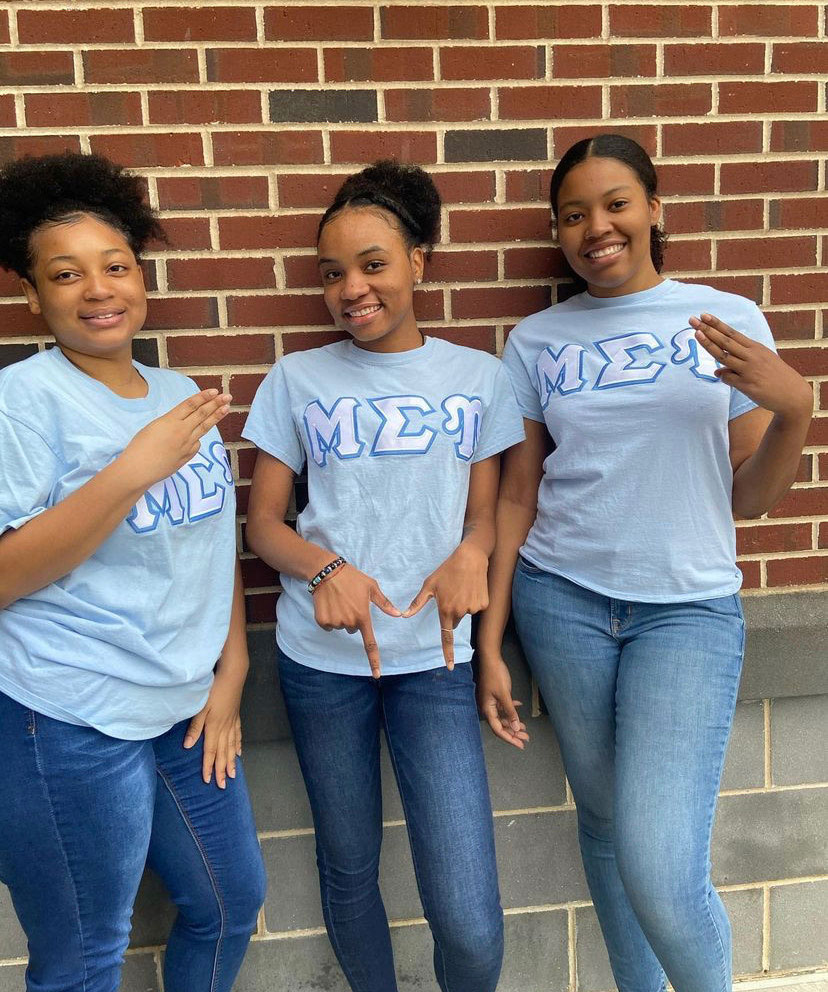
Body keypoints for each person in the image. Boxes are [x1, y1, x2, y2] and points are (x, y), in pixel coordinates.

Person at [476, 134, 812, 992]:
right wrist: (494, 628)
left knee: (661, 866)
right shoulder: (536, 341)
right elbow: (519, 494)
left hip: (687, 612)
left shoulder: (725, 318)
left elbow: (749, 501)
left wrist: (796, 412)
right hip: (564, 601)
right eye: (575, 214)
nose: (598, 227)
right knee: (601, 820)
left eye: (617, 203)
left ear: (655, 208)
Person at [242, 160, 526, 992]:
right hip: (321, 664)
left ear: (419, 264)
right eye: (333, 273)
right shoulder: (297, 379)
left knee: (467, 914)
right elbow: (262, 522)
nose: (351, 288)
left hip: (435, 665)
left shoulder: (478, 377)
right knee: (350, 868)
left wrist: (472, 555)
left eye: (373, 264)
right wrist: (326, 565)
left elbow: (483, 517)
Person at [0, 152, 266, 992]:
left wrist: (233, 670)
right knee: (84, 960)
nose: (98, 288)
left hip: (184, 713)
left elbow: (208, 544)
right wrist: (129, 472)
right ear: (32, 295)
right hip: (66, 714)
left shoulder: (178, 393)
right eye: (66, 274)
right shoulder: (23, 402)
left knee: (228, 906)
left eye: (115, 265)